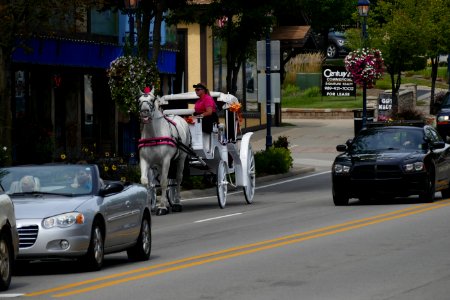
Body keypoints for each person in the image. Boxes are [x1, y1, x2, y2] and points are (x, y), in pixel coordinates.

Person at [193, 83, 219, 152]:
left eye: (198, 89)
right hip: (200, 118)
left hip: (208, 119)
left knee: (203, 125)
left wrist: (200, 116)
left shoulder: (207, 98)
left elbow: (209, 112)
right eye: (195, 90)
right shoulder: (198, 100)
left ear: (203, 90)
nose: (196, 91)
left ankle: (206, 148)